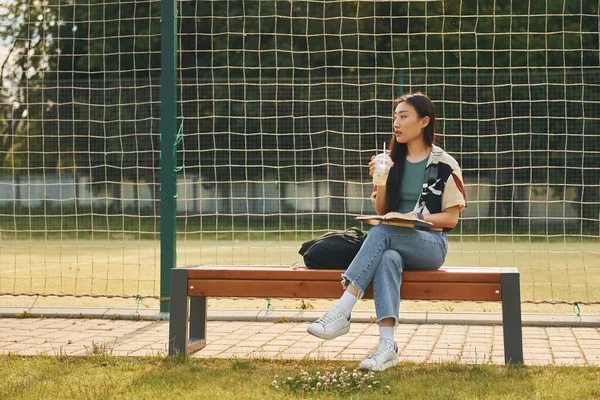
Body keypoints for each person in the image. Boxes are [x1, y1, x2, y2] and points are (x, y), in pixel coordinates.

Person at [307, 92, 467, 371]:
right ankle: (387, 346)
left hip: (431, 244)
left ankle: (343, 309)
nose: (396, 122)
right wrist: (381, 181)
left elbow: (451, 219)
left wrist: (410, 217)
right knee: (387, 256)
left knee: (382, 233)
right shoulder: (393, 160)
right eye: (395, 116)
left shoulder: (445, 164)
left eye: (404, 116)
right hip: (394, 240)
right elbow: (382, 211)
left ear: (424, 122)